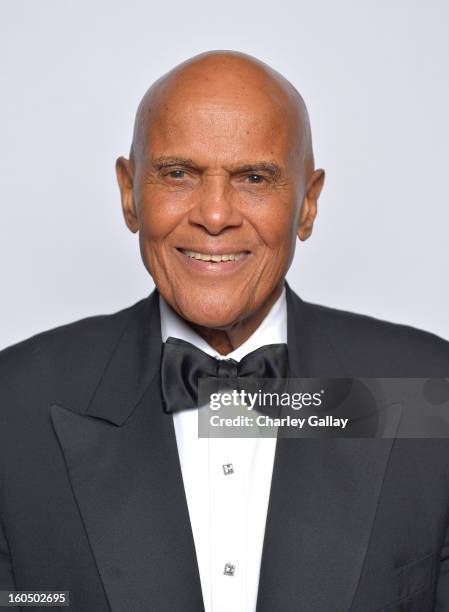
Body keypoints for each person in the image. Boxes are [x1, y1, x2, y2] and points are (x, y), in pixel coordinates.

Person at [0, 50, 448, 612]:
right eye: (178, 174)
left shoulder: (433, 392)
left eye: (254, 178)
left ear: (307, 205)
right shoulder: (11, 405)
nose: (215, 216)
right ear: (129, 193)